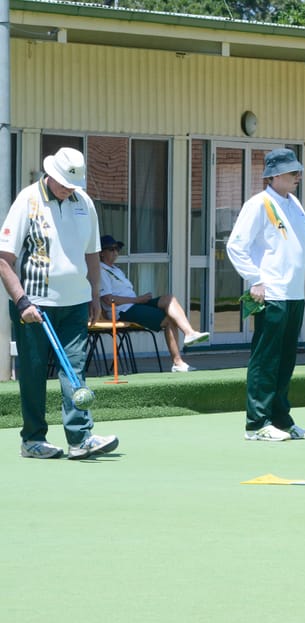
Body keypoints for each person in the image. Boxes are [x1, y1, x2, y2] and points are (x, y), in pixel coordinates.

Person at [0, 147, 119, 459]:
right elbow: (4, 259)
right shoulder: (28, 199)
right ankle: (32, 439)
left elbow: (92, 253)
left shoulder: (84, 202)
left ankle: (80, 438)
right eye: (65, 183)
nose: (69, 189)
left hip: (76, 302)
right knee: (34, 373)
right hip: (35, 305)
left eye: (73, 184)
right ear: (50, 175)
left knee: (74, 369)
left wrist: (94, 295)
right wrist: (21, 301)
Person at [226, 148, 305, 442]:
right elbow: (236, 246)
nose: (297, 176)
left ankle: (281, 418)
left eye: (297, 171)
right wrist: (255, 279)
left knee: (286, 359)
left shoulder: (296, 204)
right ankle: (257, 423)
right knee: (265, 359)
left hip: (293, 293)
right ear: (274, 175)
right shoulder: (258, 204)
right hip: (269, 293)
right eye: (292, 172)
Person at [98, 235, 209, 372]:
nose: (115, 252)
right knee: (169, 319)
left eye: (117, 249)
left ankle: (189, 333)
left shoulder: (116, 269)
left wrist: (138, 300)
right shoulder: (100, 270)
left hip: (133, 305)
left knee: (169, 299)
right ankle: (178, 362)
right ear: (101, 253)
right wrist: (137, 300)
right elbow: (108, 300)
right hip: (121, 311)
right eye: (111, 249)